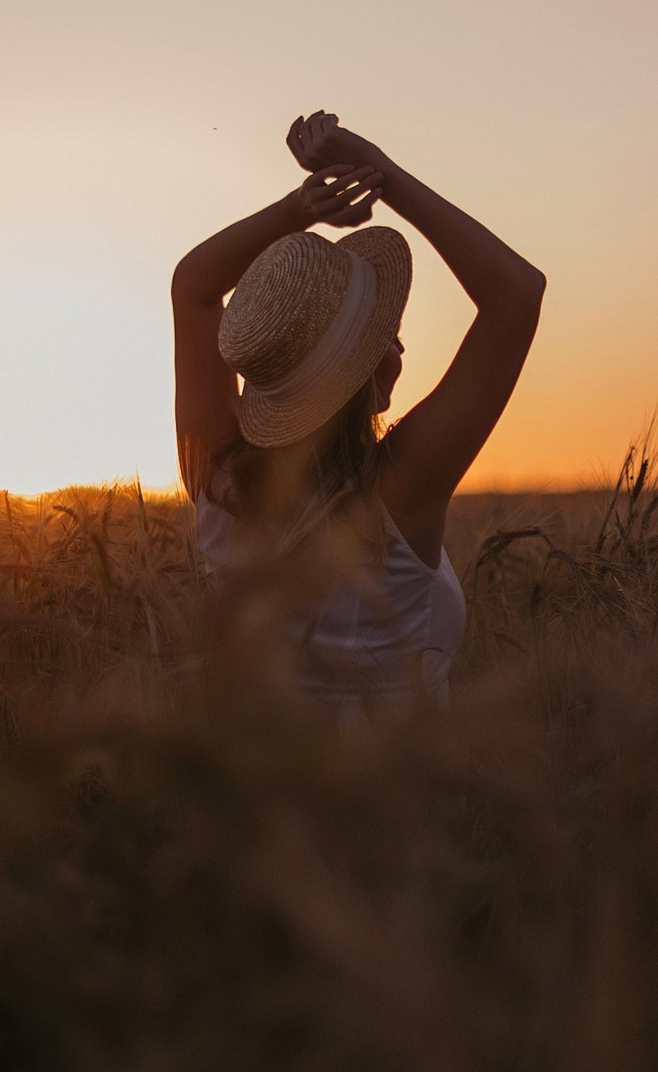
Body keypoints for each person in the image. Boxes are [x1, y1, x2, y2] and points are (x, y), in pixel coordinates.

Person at [171, 111, 545, 712]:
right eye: (387, 338)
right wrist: (377, 171)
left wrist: (300, 208)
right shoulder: (398, 495)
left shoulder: (215, 484)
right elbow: (517, 294)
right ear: (372, 374)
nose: (401, 349)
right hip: (402, 775)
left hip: (257, 774)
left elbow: (192, 286)